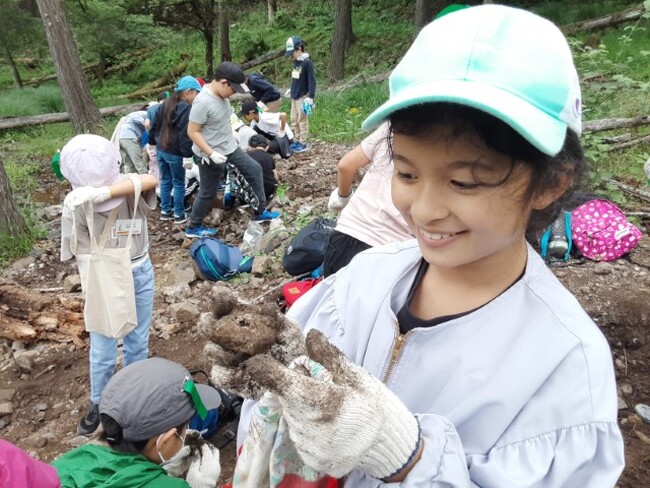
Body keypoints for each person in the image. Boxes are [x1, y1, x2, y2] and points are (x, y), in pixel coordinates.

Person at [225, 5, 624, 486]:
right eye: (407, 173)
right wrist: (266, 369)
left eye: (464, 182)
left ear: (551, 184)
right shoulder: (362, 280)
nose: (424, 209)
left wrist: (410, 460)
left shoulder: (563, 365)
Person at [59, 134, 158, 436]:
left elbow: (150, 179)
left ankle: (131, 395)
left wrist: (103, 192)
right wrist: (88, 201)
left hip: (138, 270)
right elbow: (74, 250)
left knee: (137, 340)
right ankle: (99, 402)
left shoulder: (128, 186)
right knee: (102, 346)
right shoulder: (75, 205)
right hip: (104, 279)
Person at [52, 358, 222, 488]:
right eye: (185, 428)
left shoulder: (63, 466)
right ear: (166, 440)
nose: (185, 435)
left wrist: (152, 473)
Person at [186, 61, 280, 238]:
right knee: (209, 191)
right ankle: (193, 226)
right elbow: (192, 132)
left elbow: (223, 118)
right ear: (223, 82)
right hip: (210, 153)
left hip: (229, 146)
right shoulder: (202, 102)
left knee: (254, 169)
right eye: (234, 89)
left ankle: (260, 212)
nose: (235, 93)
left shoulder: (223, 96)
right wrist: (211, 153)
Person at [324, 122, 413, 276]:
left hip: (345, 234)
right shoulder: (450, 140)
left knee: (333, 296)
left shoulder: (395, 123)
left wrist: (343, 197)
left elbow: (346, 165)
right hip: (391, 252)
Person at [149, 75, 201, 225]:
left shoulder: (165, 104)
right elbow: (185, 133)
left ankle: (166, 211)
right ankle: (179, 214)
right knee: (178, 183)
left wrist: (152, 142)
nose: (196, 97)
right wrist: (187, 155)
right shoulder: (185, 107)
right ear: (188, 92)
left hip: (161, 149)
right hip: (175, 151)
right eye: (196, 93)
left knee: (165, 180)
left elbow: (155, 125)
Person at [284, 36, 315, 153]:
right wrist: (291, 89)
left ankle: (303, 143)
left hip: (302, 96)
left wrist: (310, 97)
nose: (291, 56)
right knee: (293, 119)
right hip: (294, 96)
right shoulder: (295, 63)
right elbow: (295, 78)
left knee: (302, 119)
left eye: (292, 53)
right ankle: (297, 140)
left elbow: (312, 80)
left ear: (298, 49)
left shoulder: (307, 63)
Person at [247, 134, 278, 201]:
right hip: (268, 191)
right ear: (266, 147)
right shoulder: (269, 157)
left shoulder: (246, 156)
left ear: (251, 147)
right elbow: (275, 175)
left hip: (252, 192)